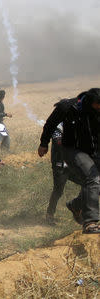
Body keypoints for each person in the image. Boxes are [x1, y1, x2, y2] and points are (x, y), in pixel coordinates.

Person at [38, 88, 100, 233]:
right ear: (90, 102)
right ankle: (90, 222)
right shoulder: (67, 107)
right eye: (98, 105)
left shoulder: (97, 109)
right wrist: (43, 143)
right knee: (93, 179)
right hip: (73, 149)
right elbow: (50, 124)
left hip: (94, 150)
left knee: (95, 183)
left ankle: (75, 205)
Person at [43, 124, 82, 225]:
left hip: (73, 165)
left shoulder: (75, 124)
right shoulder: (57, 127)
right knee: (58, 191)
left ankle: (76, 207)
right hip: (60, 166)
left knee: (88, 183)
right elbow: (59, 143)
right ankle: (49, 215)